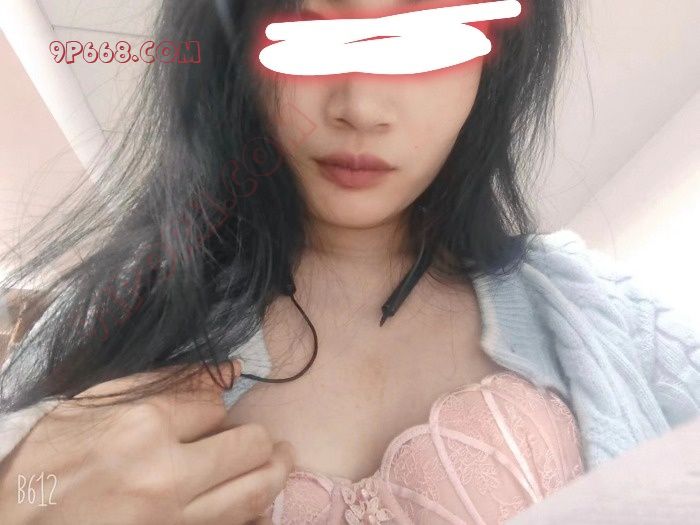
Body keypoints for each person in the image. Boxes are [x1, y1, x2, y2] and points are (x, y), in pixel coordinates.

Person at [0, 0, 697, 524]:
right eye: (305, 29)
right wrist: (22, 501)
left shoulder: (619, 324)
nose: (360, 104)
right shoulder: (104, 321)